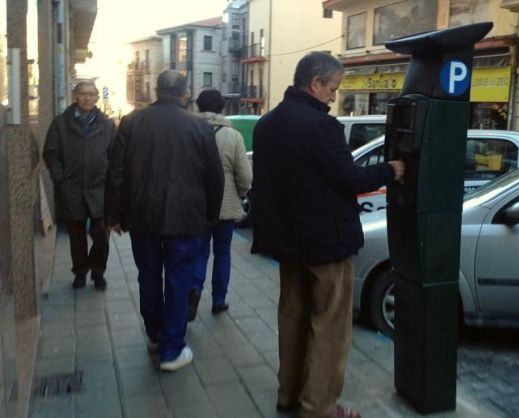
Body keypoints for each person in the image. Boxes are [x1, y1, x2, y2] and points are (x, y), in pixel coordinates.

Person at [251, 51, 405, 418]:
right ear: (315, 83)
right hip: (326, 244)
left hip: (287, 244)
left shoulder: (267, 123)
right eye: (332, 89)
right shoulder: (321, 126)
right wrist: (391, 170)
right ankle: (319, 406)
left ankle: (288, 395)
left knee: (292, 318)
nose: (333, 98)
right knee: (329, 326)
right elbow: (350, 178)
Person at [105, 70, 224, 371]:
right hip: (186, 218)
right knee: (178, 279)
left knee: (148, 276)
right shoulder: (199, 126)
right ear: (185, 93)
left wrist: (114, 215)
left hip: (142, 215)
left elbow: (115, 171)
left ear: (157, 91)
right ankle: (172, 349)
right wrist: (211, 214)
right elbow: (214, 177)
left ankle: (156, 336)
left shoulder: (131, 122)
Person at [43, 81, 116, 290]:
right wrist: (60, 178)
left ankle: (98, 271)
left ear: (96, 98)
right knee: (76, 236)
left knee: (101, 233)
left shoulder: (107, 125)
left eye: (91, 94)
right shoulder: (61, 124)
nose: (87, 98)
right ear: (76, 96)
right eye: (83, 94)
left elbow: (116, 156)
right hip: (72, 189)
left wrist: (111, 182)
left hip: (99, 189)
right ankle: (80, 272)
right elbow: (50, 153)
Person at [189, 89, 252, 321]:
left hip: (197, 205)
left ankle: (194, 289)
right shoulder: (232, 136)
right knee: (223, 252)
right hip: (225, 205)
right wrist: (241, 193)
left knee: (200, 252)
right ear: (222, 108)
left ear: (198, 106)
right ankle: (218, 300)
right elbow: (244, 175)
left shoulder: (189, 130)